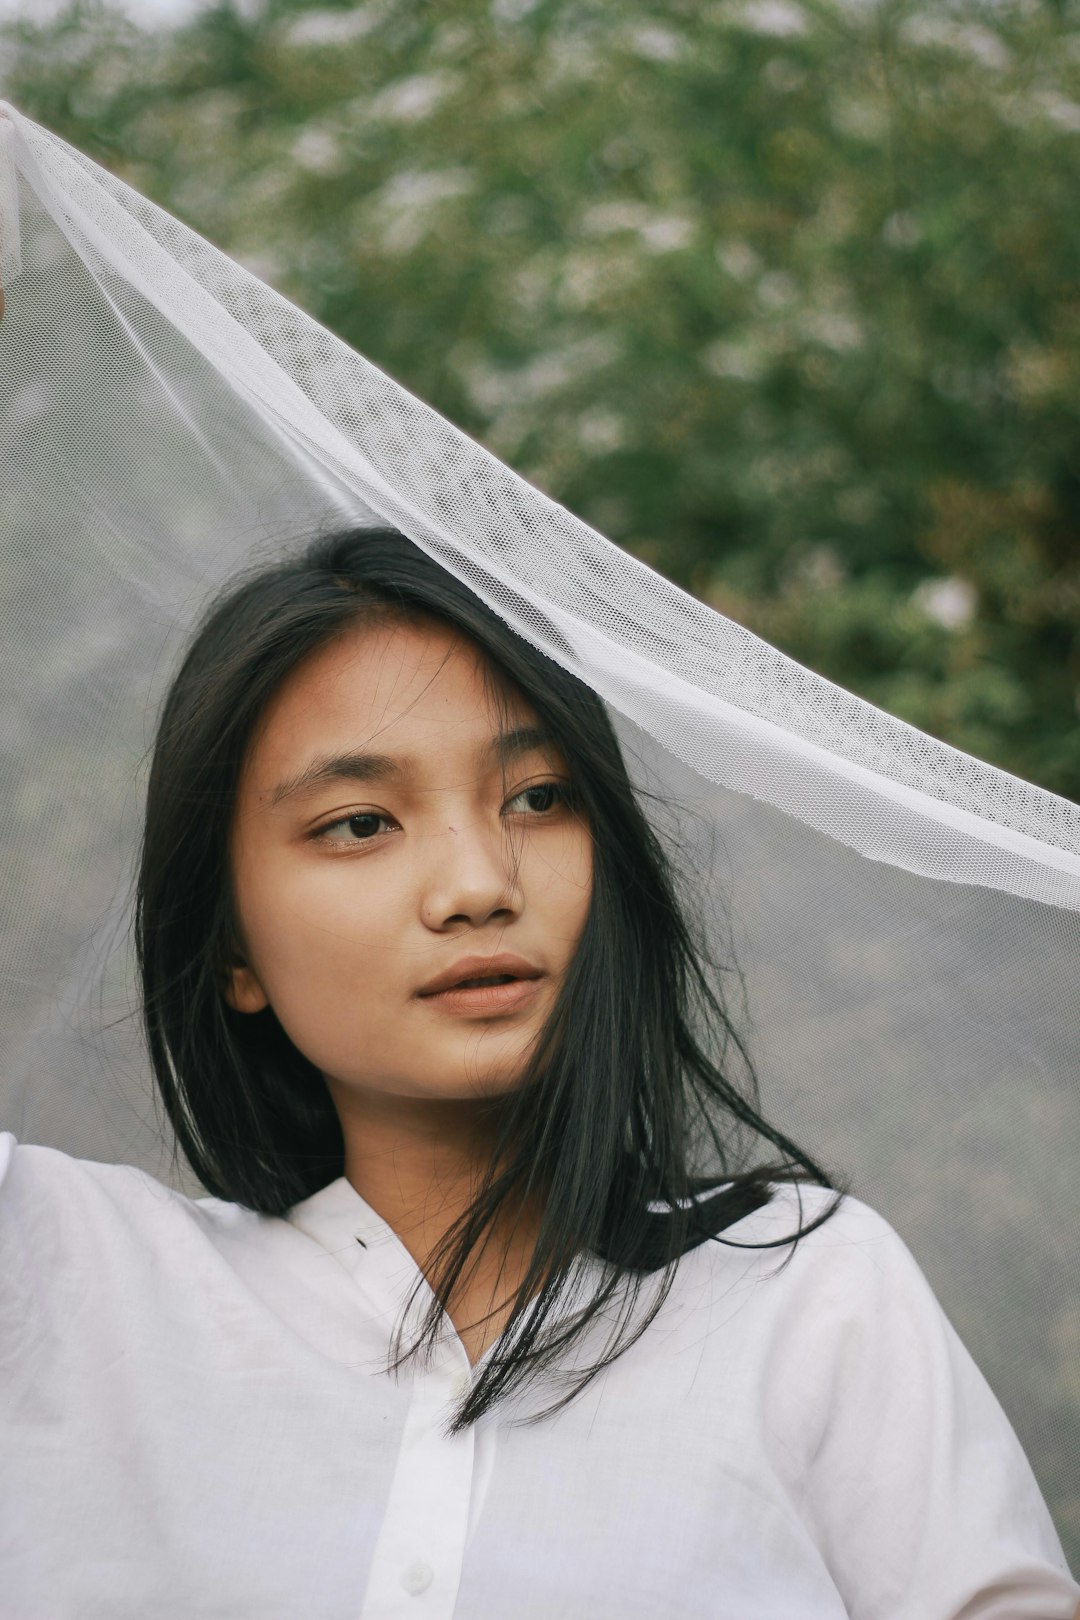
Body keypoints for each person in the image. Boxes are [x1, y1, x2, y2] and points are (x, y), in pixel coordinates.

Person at [2, 526, 1076, 1620]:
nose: (478, 884)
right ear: (232, 948)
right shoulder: (60, 1273)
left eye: (537, 800)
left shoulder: (802, 1296)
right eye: (361, 823)